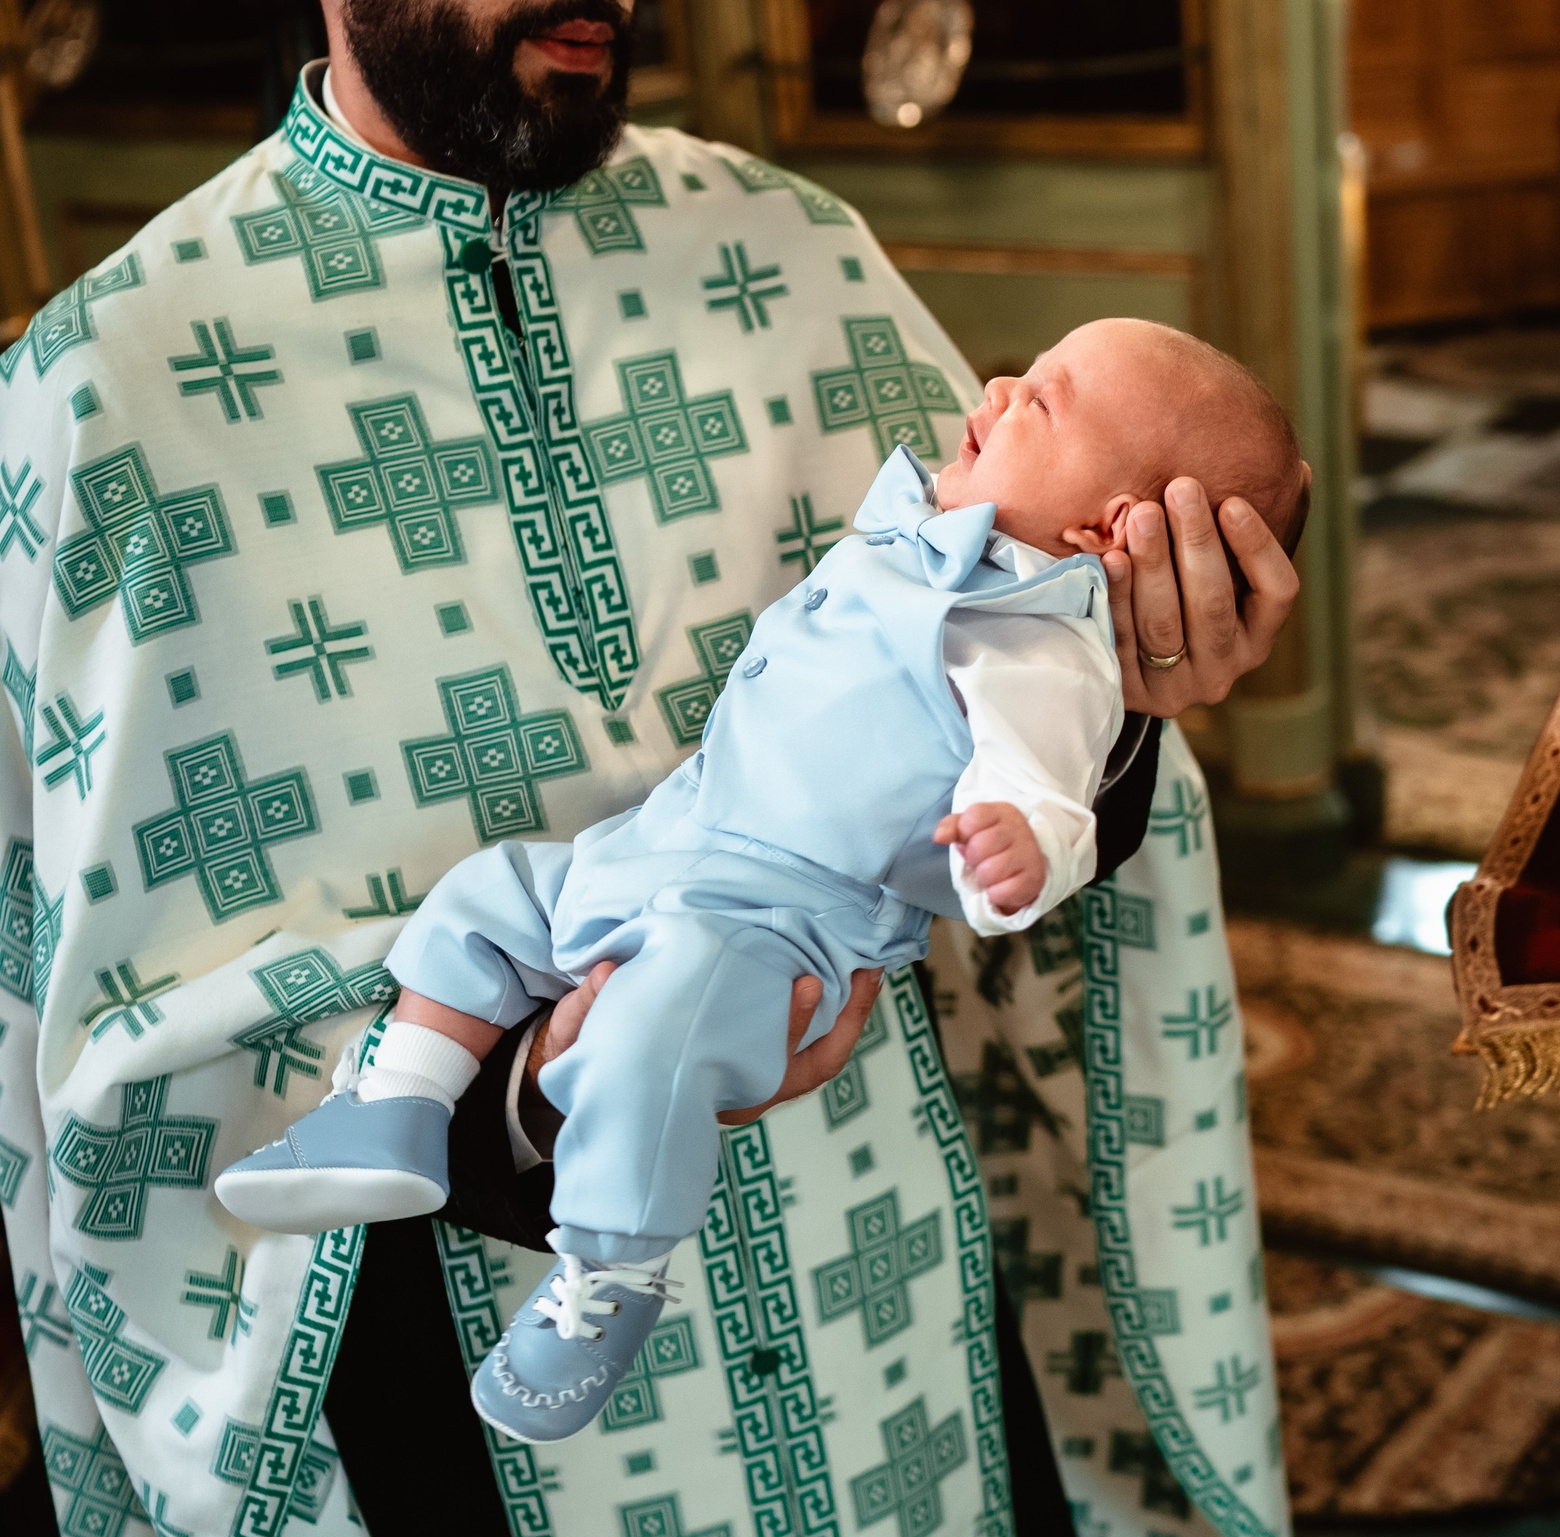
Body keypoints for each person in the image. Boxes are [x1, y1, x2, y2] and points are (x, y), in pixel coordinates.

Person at [0, 3, 1301, 1537]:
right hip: (458, 1368)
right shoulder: (108, 390)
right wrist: (531, 1084)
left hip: (872, 1289)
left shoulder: (794, 253)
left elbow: (1021, 734)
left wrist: (1133, 703)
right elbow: (100, 1050)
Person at [217, 320, 1310, 1448]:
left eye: (1040, 395)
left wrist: (1120, 704)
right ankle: (395, 1103)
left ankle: (609, 1278)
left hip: (786, 958)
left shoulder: (1008, 600)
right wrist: (520, 1088)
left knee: (656, 1037)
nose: (990, 387)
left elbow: (1041, 783)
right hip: (660, 851)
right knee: (488, 903)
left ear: (1103, 528)